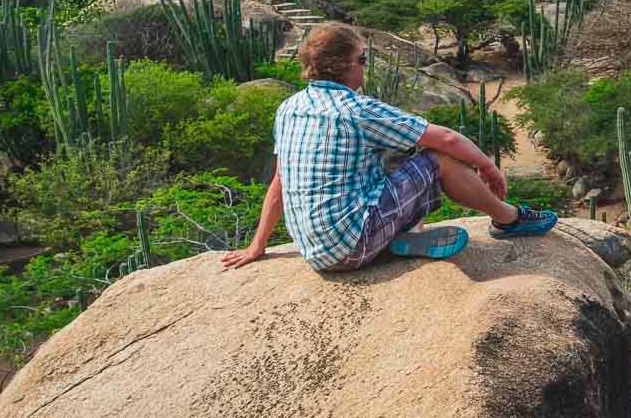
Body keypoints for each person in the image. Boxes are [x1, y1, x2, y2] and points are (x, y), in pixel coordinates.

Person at [221, 22, 555, 272]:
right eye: (362, 58)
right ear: (346, 65)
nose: (366, 64)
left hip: (317, 255)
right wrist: (488, 166)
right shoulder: (357, 110)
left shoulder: (289, 107)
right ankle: (508, 219)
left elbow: (280, 182)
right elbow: (447, 140)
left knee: (387, 167)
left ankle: (399, 241)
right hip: (354, 243)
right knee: (438, 159)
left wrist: (258, 245)